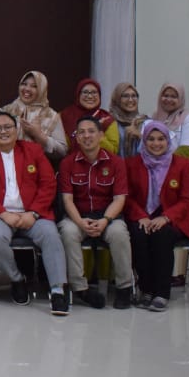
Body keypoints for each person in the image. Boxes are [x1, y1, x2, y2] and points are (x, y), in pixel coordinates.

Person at [0, 110, 70, 316]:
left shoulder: (33, 151)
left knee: (51, 236)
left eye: (8, 127)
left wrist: (33, 213)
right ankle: (17, 279)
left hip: (33, 214)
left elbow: (48, 184)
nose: (3, 131)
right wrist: (3, 214)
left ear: (17, 130)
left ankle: (58, 290)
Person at [55, 116, 133, 310]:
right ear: (76, 137)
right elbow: (67, 200)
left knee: (119, 233)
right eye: (81, 132)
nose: (86, 136)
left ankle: (124, 287)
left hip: (108, 216)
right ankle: (80, 288)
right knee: (68, 232)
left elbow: (119, 199)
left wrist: (105, 220)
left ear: (101, 135)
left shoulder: (116, 162)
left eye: (91, 131)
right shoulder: (67, 163)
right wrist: (80, 222)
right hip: (78, 216)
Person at [126, 120, 189, 311]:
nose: (156, 143)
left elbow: (187, 199)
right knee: (138, 234)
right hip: (143, 216)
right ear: (144, 141)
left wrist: (166, 217)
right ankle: (146, 289)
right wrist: (141, 216)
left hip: (173, 220)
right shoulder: (132, 164)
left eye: (161, 139)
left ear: (168, 141)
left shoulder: (182, 164)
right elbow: (126, 196)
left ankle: (161, 292)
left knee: (162, 235)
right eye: (151, 139)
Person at [153, 81, 189, 284]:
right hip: (158, 183)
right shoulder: (155, 118)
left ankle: (178, 273)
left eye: (174, 96)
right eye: (165, 95)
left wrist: (163, 165)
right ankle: (160, 270)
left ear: (180, 99)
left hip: (182, 180)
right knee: (161, 226)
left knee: (179, 223)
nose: (169, 99)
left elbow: (187, 149)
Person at [3, 70, 68, 162]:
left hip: (36, 167)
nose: (27, 89)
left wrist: (39, 136)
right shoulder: (7, 110)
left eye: (34, 86)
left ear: (42, 89)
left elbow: (62, 151)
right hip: (7, 165)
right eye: (24, 84)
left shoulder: (51, 115)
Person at [57, 78, 118, 154]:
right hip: (71, 160)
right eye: (85, 92)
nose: (90, 96)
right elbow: (61, 147)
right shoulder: (64, 116)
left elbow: (113, 151)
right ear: (78, 94)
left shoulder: (107, 119)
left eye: (94, 92)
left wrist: (98, 133)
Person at [109, 82, 146, 158]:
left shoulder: (145, 122)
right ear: (117, 99)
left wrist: (140, 136)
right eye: (125, 96)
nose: (130, 100)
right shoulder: (109, 122)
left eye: (134, 96)